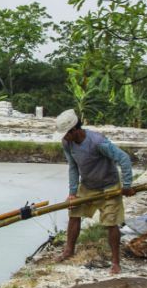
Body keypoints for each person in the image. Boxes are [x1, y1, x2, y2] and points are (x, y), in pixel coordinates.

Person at [54, 109, 136, 274]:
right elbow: (73, 167)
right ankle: (69, 250)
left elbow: (123, 158)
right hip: (88, 186)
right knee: (74, 213)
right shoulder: (67, 143)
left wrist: (127, 184)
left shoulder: (98, 142)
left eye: (66, 134)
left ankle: (115, 262)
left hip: (109, 185)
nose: (64, 137)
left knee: (111, 223)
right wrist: (72, 192)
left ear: (75, 130)